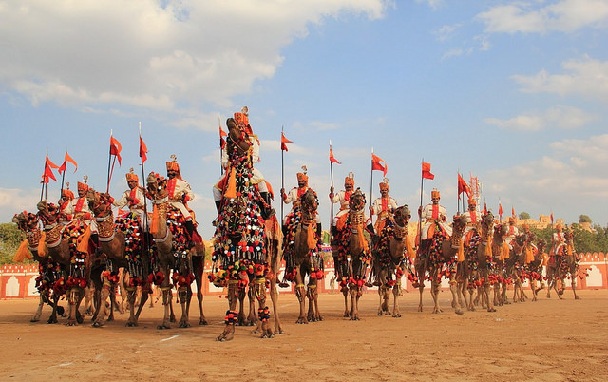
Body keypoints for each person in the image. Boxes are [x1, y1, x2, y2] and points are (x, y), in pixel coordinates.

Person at [212, 106, 273, 218]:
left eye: (241, 125)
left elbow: (255, 156)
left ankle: (266, 211)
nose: (240, 127)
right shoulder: (229, 140)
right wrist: (225, 163)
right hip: (233, 168)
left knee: (262, 184)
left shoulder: (252, 139)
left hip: (248, 168)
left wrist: (247, 161)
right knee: (215, 189)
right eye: (238, 125)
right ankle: (220, 213)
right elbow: (225, 156)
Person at [165, 155, 198, 246]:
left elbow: (191, 195)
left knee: (188, 217)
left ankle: (190, 239)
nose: (170, 172)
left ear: (176, 171)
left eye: (172, 171)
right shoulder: (163, 183)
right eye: (168, 171)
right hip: (165, 205)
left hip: (178, 204)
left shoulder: (182, 183)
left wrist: (185, 197)